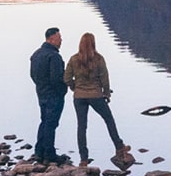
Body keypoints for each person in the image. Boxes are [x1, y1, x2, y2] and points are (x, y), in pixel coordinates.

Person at [65, 32, 129, 164]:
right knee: (109, 119)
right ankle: (119, 146)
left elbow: (66, 78)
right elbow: (105, 78)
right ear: (93, 44)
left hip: (79, 97)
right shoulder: (99, 59)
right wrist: (106, 93)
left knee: (81, 127)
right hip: (96, 95)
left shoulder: (73, 59)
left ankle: (83, 158)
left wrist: (74, 87)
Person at [29, 27, 69, 164]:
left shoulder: (36, 54)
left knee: (44, 121)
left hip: (41, 92)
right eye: (59, 38)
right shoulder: (54, 56)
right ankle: (49, 154)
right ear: (51, 39)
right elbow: (56, 78)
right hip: (53, 94)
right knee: (51, 123)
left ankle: (39, 151)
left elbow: (32, 75)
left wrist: (40, 86)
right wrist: (63, 90)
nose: (61, 41)